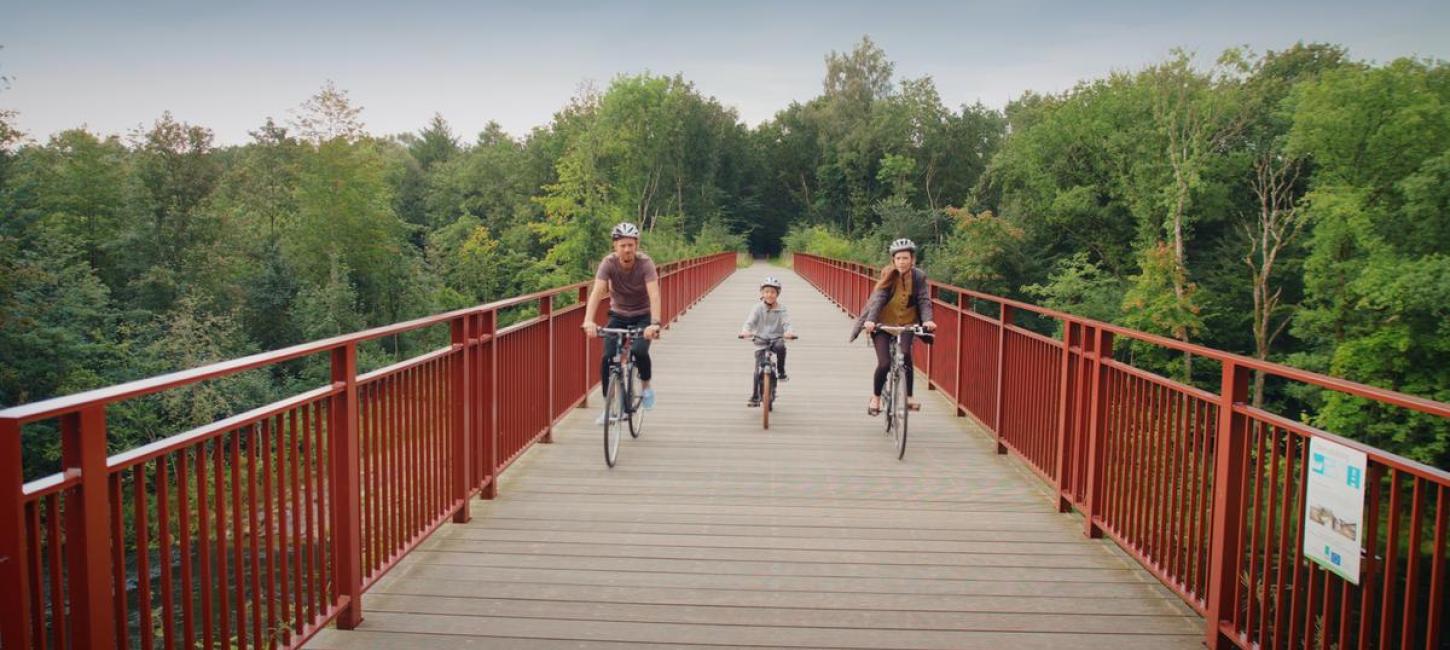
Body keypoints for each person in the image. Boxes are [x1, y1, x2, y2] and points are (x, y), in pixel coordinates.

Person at [583, 222, 663, 422]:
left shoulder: (645, 263)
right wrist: (588, 321)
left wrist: (654, 323)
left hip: (642, 315)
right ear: (615, 246)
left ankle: (645, 387)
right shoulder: (608, 263)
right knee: (608, 357)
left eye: (631, 245)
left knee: (639, 350)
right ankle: (608, 406)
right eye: (622, 245)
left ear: (636, 245)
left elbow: (654, 294)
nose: (627, 249)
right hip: (618, 314)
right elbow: (597, 292)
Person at [849, 238, 938, 416]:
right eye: (898, 258)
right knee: (884, 363)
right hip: (882, 324)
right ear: (893, 260)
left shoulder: (918, 276)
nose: (902, 262)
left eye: (905, 258)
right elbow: (879, 298)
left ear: (912, 259)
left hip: (906, 323)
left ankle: (909, 396)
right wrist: (871, 321)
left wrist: (928, 320)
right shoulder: (888, 274)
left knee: (905, 355)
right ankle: (876, 397)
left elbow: (923, 300)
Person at [739, 275, 798, 406]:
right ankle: (755, 397)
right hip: (760, 340)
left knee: (781, 347)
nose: (769, 295)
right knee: (757, 371)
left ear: (777, 294)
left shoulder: (782, 309)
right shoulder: (757, 308)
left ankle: (781, 371)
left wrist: (789, 332)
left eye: (772, 292)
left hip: (776, 338)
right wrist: (745, 331)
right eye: (766, 292)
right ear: (762, 293)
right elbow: (749, 322)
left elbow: (787, 323)